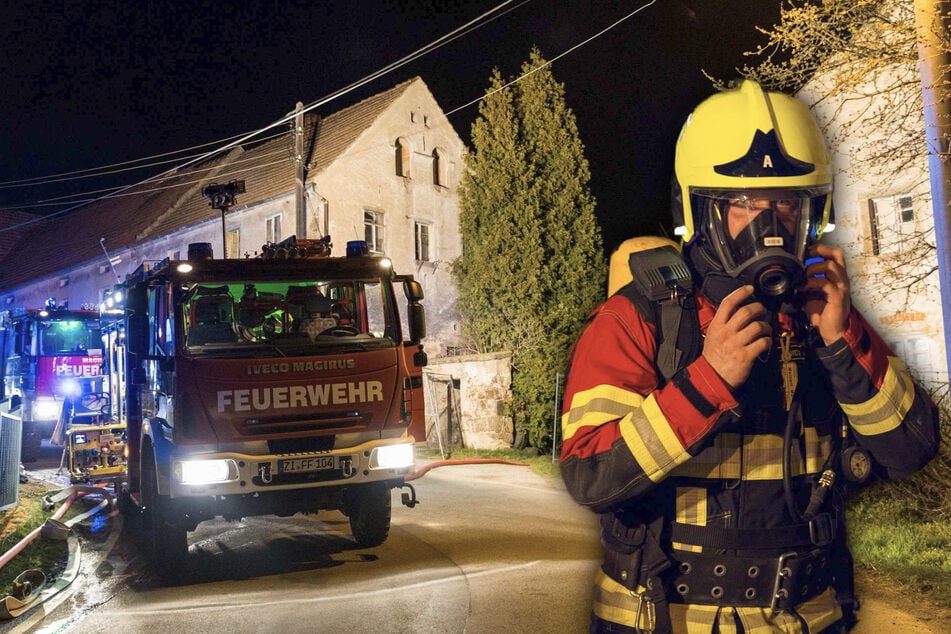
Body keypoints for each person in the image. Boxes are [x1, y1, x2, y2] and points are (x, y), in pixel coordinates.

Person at [559, 80, 940, 633]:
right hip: (667, 618)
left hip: (807, 617)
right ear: (700, 209)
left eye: (786, 204)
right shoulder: (639, 317)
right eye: (743, 205)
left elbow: (912, 450)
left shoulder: (824, 318)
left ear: (814, 209)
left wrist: (842, 341)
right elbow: (590, 473)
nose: (771, 225)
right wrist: (705, 382)